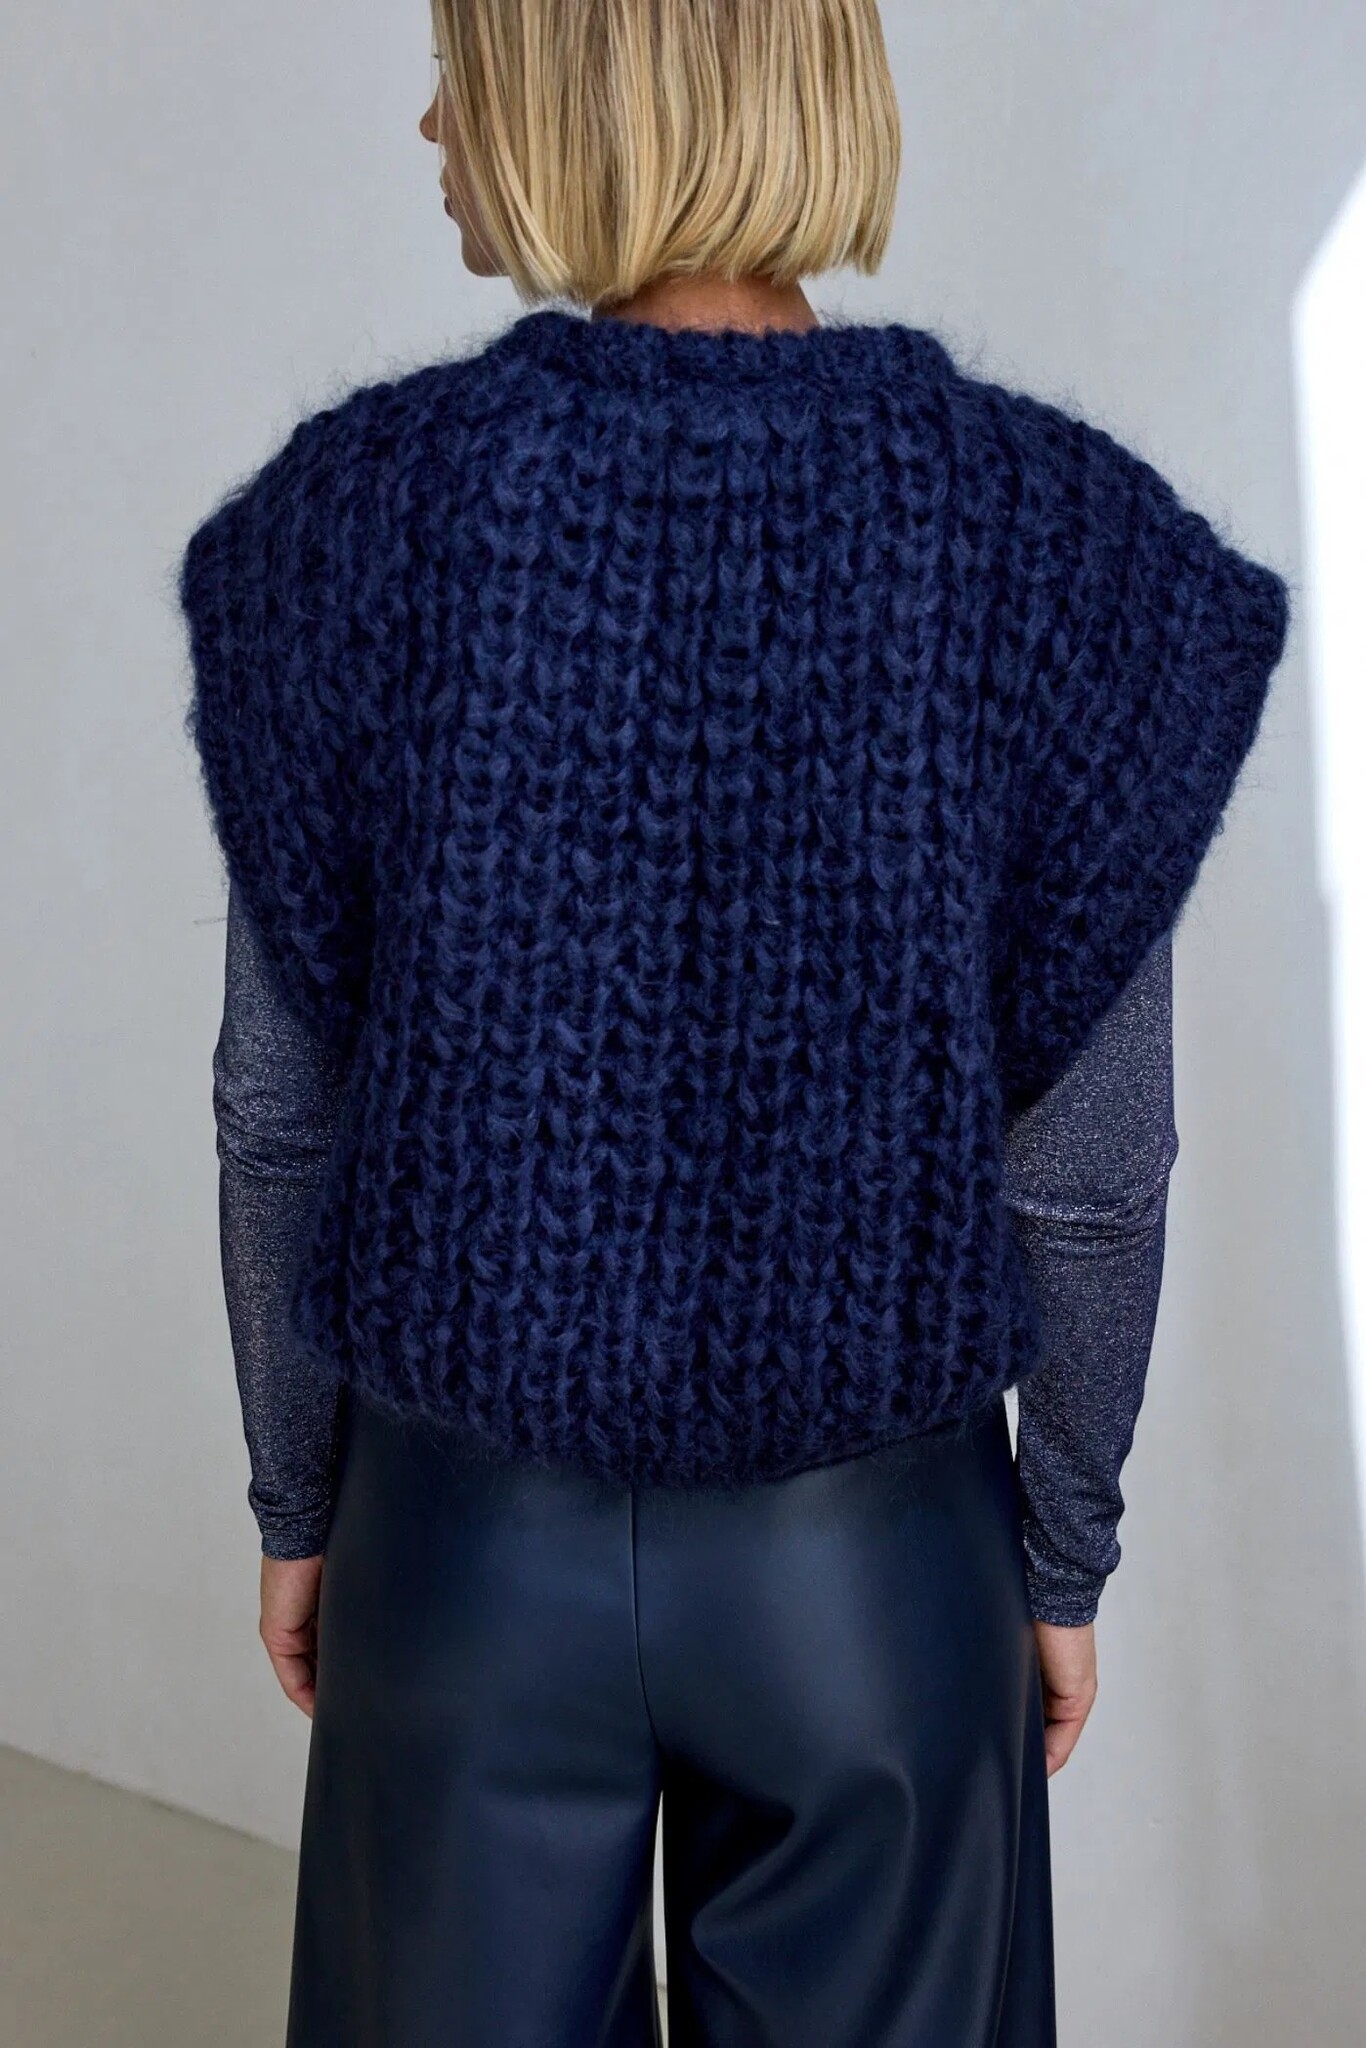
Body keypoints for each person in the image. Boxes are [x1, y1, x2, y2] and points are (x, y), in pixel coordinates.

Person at [177, 4, 1292, 2043]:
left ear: (568, 93)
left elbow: (278, 1110)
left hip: (461, 1550)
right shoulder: (1050, 543)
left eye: (459, 61)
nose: (430, 118)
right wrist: (1060, 1551)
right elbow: (1089, 1164)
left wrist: (296, 1500)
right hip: (873, 1575)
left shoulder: (349, 526)